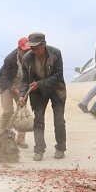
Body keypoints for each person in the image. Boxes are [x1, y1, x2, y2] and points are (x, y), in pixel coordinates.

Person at [18, 32, 67, 161]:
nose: (34, 51)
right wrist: (22, 95)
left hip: (56, 89)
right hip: (37, 92)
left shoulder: (56, 54)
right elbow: (25, 80)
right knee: (38, 120)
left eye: (37, 48)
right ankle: (39, 150)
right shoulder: (27, 58)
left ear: (44, 44)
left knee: (59, 120)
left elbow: (58, 75)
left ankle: (60, 148)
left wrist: (40, 84)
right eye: (32, 48)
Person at [0, 37, 31, 148]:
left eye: (28, 50)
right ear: (19, 49)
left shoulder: (32, 59)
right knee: (8, 111)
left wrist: (23, 93)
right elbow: (5, 79)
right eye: (24, 51)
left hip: (21, 84)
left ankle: (20, 139)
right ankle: (3, 136)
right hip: (6, 84)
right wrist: (16, 91)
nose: (26, 53)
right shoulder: (10, 59)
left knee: (22, 110)